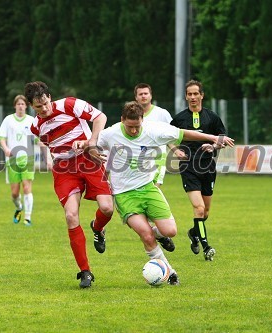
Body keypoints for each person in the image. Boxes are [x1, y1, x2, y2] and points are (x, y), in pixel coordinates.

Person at [86, 101, 234, 284]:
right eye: (130, 127)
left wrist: (213, 138)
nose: (133, 131)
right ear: (122, 120)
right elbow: (91, 143)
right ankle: (171, 273)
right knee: (146, 235)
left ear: (142, 120)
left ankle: (158, 235)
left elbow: (184, 134)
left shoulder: (154, 130)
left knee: (170, 231)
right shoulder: (110, 133)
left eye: (137, 126)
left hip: (149, 188)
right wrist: (86, 147)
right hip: (125, 194)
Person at [25, 81, 114, 288]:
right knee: (70, 215)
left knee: (107, 208)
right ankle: (85, 271)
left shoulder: (69, 104)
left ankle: (97, 228)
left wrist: (91, 142)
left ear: (49, 96)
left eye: (46, 103)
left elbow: (100, 117)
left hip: (88, 160)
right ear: (32, 106)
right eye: (39, 107)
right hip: (64, 170)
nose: (45, 109)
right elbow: (50, 143)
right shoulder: (35, 126)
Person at [170, 80, 230, 261]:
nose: (193, 97)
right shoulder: (180, 118)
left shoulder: (212, 117)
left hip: (208, 167)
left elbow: (222, 138)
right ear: (186, 96)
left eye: (196, 94)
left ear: (202, 95)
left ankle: (194, 233)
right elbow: (166, 136)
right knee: (198, 208)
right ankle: (206, 246)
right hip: (188, 166)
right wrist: (175, 150)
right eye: (189, 94)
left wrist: (213, 146)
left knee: (206, 212)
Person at [0, 95, 50, 226]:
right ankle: (19, 207)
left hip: (28, 158)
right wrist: (6, 149)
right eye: (18, 104)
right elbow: (2, 138)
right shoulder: (8, 120)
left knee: (27, 188)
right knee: (15, 193)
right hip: (13, 160)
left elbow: (39, 140)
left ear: (26, 106)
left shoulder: (32, 120)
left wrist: (47, 159)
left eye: (23, 104)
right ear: (15, 106)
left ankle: (27, 217)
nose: (20, 106)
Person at [134, 83, 173, 187]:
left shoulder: (162, 113)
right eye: (140, 94)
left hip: (157, 157)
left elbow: (172, 135)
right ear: (136, 97)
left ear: (151, 95)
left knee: (154, 188)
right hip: (136, 158)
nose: (143, 96)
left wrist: (176, 150)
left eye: (146, 93)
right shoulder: (132, 114)